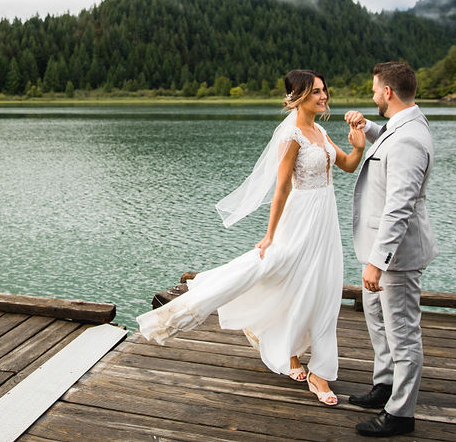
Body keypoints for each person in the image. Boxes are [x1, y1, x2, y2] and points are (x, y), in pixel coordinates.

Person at [138, 70, 365, 405]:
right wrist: (270, 234)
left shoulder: (319, 130)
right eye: (316, 92)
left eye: (324, 90)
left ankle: (317, 370)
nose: (324, 96)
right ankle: (283, 349)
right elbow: (282, 188)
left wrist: (358, 146)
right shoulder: (291, 135)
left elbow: (345, 165)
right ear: (297, 97)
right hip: (298, 219)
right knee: (277, 275)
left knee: (325, 288)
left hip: (325, 222)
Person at [345, 61, 438, 437]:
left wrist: (378, 263)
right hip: (380, 253)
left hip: (395, 258)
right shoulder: (403, 126)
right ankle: (384, 385)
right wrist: (366, 127)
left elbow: (400, 206)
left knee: (402, 331)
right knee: (378, 322)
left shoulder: (410, 140)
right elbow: (386, 136)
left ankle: (401, 413)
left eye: (374, 90)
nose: (371, 95)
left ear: (388, 93)